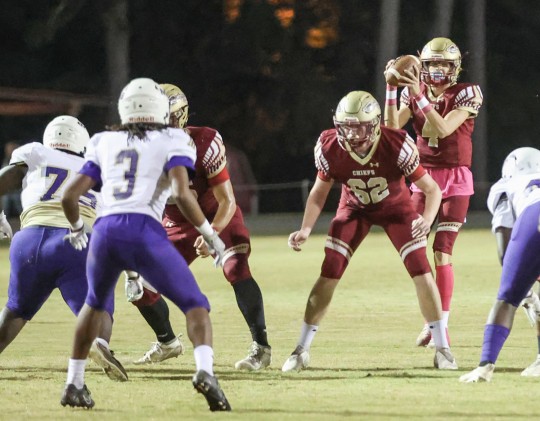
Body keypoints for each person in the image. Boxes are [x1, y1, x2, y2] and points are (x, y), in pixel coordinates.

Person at [59, 78, 231, 411]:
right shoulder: (174, 138)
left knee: (93, 306)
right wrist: (210, 234)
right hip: (143, 229)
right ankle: (205, 372)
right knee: (195, 304)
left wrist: (78, 227)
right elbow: (182, 194)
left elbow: (70, 195)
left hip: (104, 231)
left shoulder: (103, 140)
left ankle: (73, 384)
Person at [281, 90, 457, 373]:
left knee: (421, 270)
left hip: (396, 210)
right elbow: (319, 192)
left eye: (359, 127)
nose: (352, 134)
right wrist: (306, 228)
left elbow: (432, 189)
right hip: (354, 209)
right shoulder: (329, 145)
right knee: (329, 270)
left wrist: (426, 219)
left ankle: (443, 349)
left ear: (374, 124)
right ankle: (301, 349)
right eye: (347, 126)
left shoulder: (396, 143)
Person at [126, 83, 271, 371]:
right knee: (139, 285)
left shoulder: (204, 142)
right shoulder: (137, 151)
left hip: (217, 215)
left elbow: (227, 200)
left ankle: (261, 347)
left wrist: (211, 232)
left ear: (178, 116)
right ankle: (167, 342)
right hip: (176, 223)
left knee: (235, 268)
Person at [0, 116, 126, 383]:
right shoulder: (96, 169)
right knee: (99, 307)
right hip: (78, 242)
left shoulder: (35, 152)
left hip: (29, 240)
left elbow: (4, 180)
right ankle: (100, 343)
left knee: (16, 308)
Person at [384, 37, 484, 347]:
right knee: (414, 248)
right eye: (432, 64)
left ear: (456, 67)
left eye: (444, 64)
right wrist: (390, 89)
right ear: (423, 66)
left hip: (455, 178)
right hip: (423, 179)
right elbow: (391, 129)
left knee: (442, 249)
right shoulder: (414, 91)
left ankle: (442, 325)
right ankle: (431, 319)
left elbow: (443, 128)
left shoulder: (467, 92)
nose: (438, 69)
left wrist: (417, 95)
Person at [460, 147, 540, 382]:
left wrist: (522, 286)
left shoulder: (506, 186)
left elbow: (505, 252)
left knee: (507, 299)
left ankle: (485, 367)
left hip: (534, 216)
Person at [1, 141, 23, 219]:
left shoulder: (20, 160)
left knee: (21, 208)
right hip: (7, 190)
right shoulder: (6, 161)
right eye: (8, 149)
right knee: (5, 210)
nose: (9, 151)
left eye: (11, 149)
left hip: (17, 189)